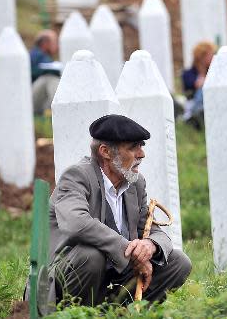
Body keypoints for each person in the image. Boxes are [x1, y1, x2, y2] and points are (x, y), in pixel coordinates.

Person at [44, 114, 191, 309]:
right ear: (105, 152)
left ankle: (119, 312)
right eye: (133, 147)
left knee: (178, 262)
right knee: (91, 256)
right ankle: (75, 314)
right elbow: (76, 224)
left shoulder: (135, 183)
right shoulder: (77, 176)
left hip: (113, 278)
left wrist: (149, 245)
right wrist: (130, 252)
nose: (141, 154)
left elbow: (152, 229)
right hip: (67, 279)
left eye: (141, 146)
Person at [181, 42, 216, 127]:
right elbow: (189, 88)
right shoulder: (188, 73)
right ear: (202, 56)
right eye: (210, 55)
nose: (213, 57)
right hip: (192, 104)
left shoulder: (213, 72)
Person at [30, 30, 61, 114]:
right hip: (31, 101)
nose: (58, 46)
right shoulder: (36, 55)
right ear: (45, 43)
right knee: (48, 78)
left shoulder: (43, 56)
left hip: (40, 101)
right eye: (55, 42)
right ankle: (61, 106)